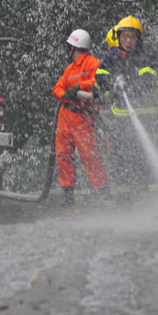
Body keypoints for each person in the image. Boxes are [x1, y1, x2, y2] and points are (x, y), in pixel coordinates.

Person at [96, 15, 158, 199]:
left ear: (138, 39)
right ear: (119, 37)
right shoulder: (112, 56)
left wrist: (130, 85)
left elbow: (150, 78)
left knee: (145, 159)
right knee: (120, 159)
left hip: (145, 118)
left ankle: (151, 199)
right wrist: (110, 84)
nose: (128, 41)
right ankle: (124, 199)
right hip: (120, 120)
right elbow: (100, 74)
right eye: (124, 37)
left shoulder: (147, 55)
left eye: (132, 37)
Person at [53, 29, 109, 205]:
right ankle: (68, 194)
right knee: (63, 155)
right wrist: (65, 95)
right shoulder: (69, 69)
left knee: (89, 155)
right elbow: (57, 89)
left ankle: (103, 191)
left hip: (83, 116)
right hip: (66, 115)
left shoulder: (93, 64)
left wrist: (78, 87)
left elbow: (99, 82)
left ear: (73, 47)